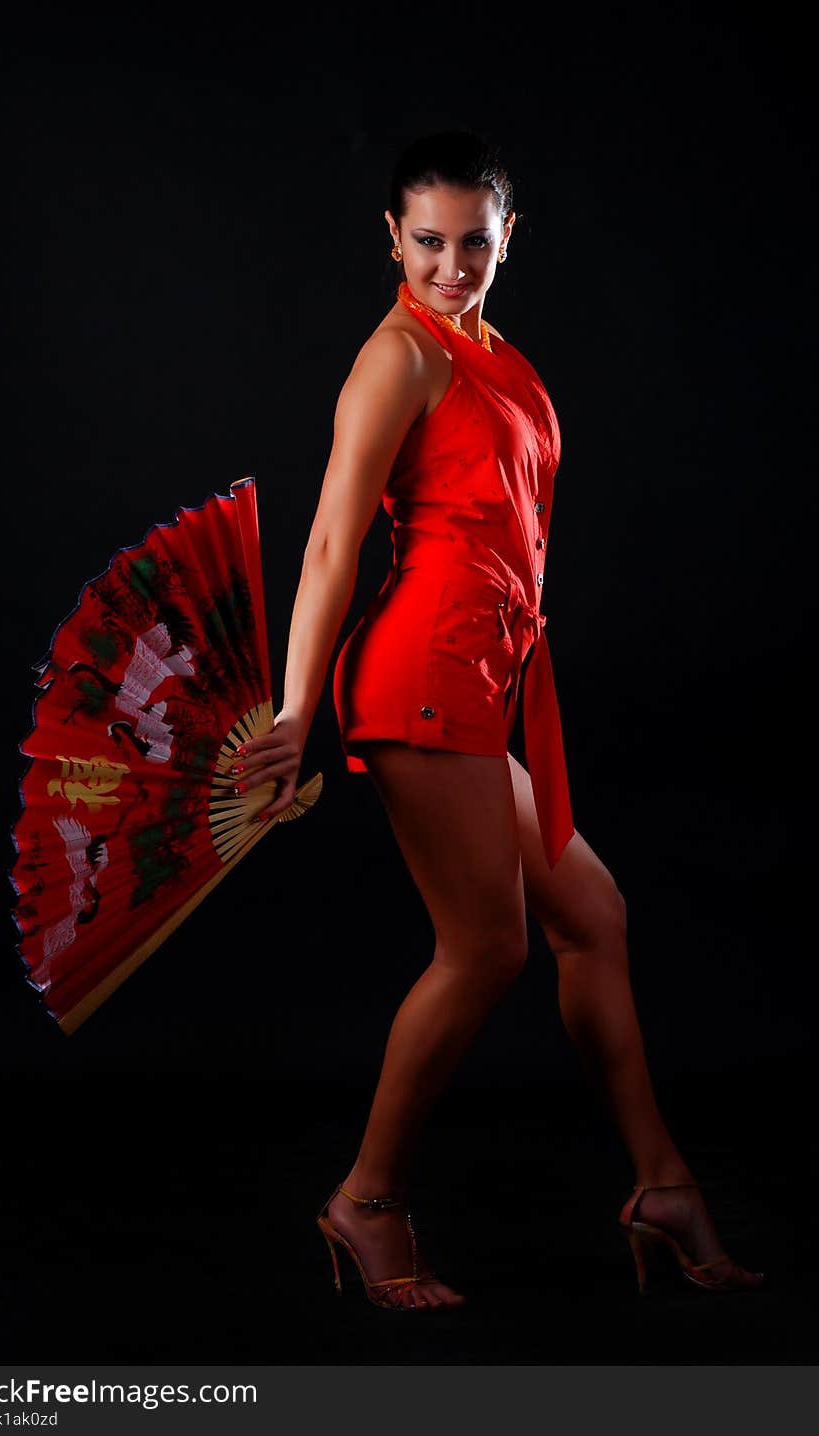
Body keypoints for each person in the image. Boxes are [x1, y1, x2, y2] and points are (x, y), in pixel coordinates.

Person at [228, 130, 765, 1310]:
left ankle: (662, 1184)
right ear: (392, 237)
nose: (451, 264)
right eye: (427, 241)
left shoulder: (493, 347)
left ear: (508, 235)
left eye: (475, 241)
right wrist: (298, 704)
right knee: (487, 946)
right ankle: (366, 1201)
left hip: (490, 671)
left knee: (593, 912)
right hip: (420, 673)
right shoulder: (397, 358)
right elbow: (332, 538)